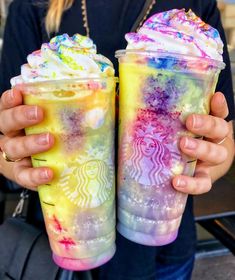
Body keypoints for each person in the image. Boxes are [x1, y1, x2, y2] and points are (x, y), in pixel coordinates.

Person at [0, 0, 234, 279]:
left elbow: (225, 138)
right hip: (66, 237)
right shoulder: (32, 5)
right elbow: (6, 134)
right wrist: (10, 157)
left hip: (165, 248)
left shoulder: (195, 12)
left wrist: (208, 160)